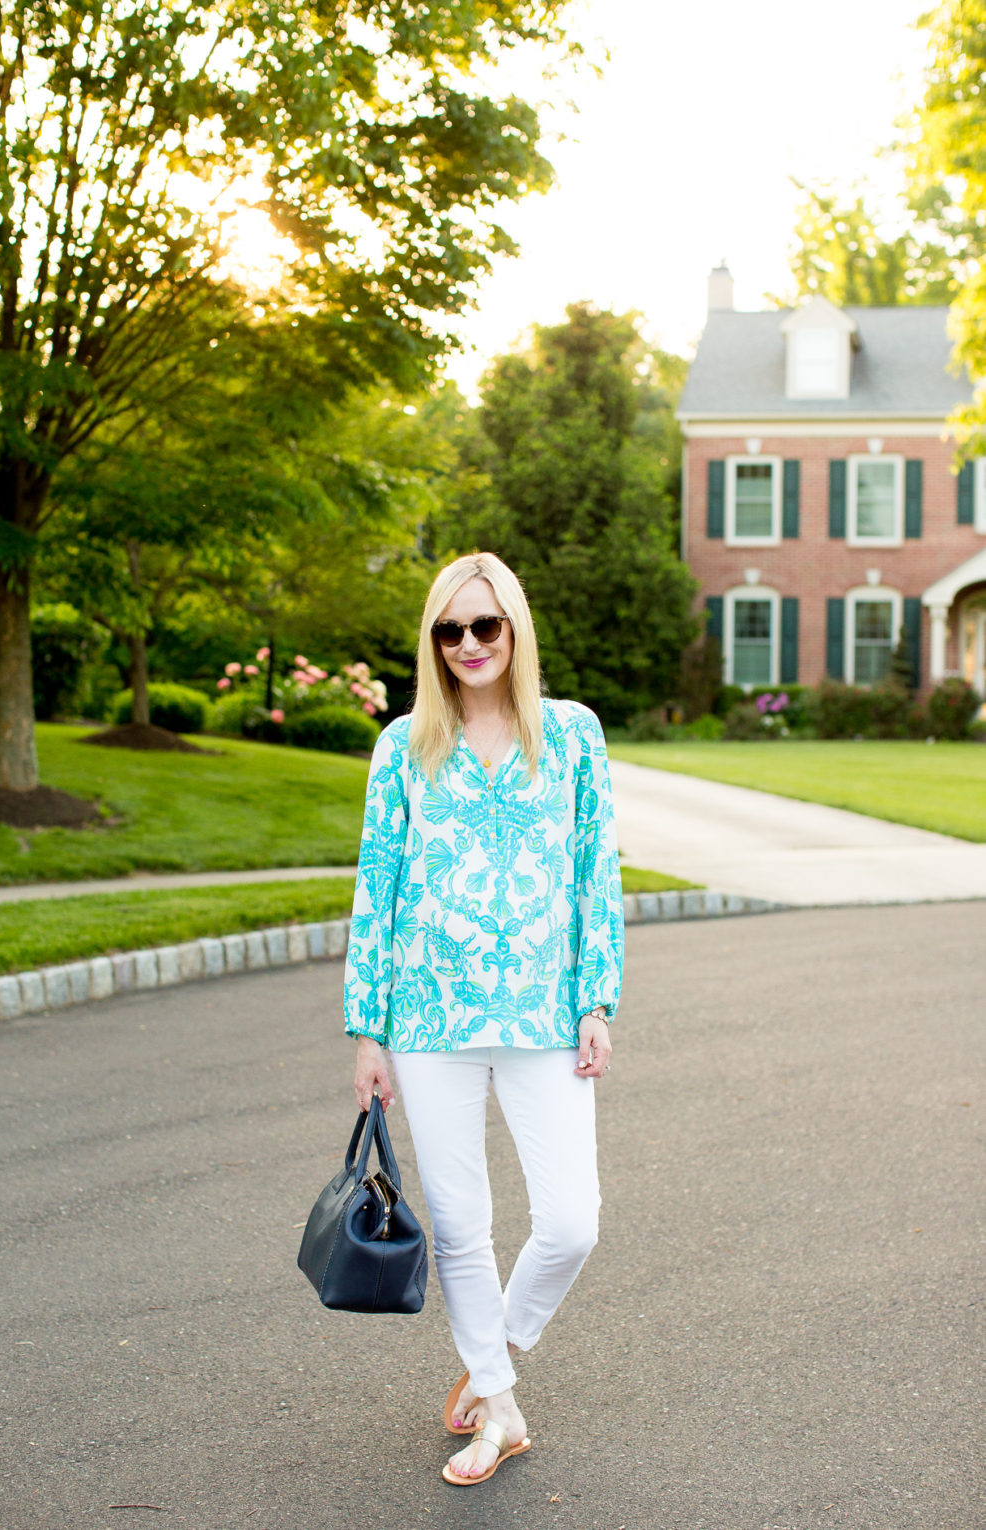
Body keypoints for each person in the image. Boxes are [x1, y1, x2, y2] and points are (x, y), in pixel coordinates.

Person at [344, 551, 623, 1487]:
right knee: (462, 1224)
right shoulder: (403, 746)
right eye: (449, 630)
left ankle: (491, 1351)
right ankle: (496, 1408)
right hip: (428, 1017)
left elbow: (596, 877)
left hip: (545, 1012)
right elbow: (375, 890)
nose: (468, 645)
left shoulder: (573, 737)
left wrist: (596, 1000)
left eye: (485, 626)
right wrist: (367, 1031)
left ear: (515, 629)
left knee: (572, 1222)